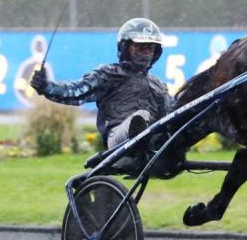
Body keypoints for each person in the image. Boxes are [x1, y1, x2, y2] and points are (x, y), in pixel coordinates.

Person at [30, 18, 174, 164]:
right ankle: (141, 146)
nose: (146, 53)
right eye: (140, 47)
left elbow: (173, 115)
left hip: (155, 143)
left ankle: (152, 148)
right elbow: (77, 91)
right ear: (125, 47)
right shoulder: (109, 74)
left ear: (156, 53)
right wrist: (46, 87)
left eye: (150, 48)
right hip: (118, 142)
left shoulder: (159, 86)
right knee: (142, 116)